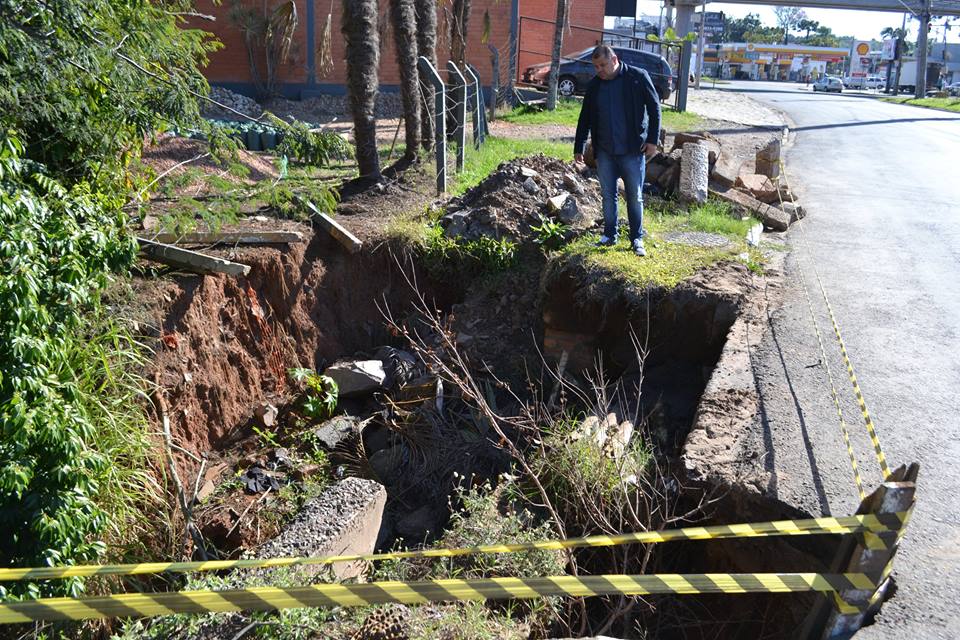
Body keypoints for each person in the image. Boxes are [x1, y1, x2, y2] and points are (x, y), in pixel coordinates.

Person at [573, 45, 660, 257]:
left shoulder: (637, 77)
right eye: (595, 66)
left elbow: (654, 107)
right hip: (605, 151)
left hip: (632, 150)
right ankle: (610, 235)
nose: (599, 70)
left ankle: (636, 238)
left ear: (614, 59)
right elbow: (585, 117)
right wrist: (579, 146)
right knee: (608, 195)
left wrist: (652, 140)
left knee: (635, 196)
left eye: (602, 65)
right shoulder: (595, 86)